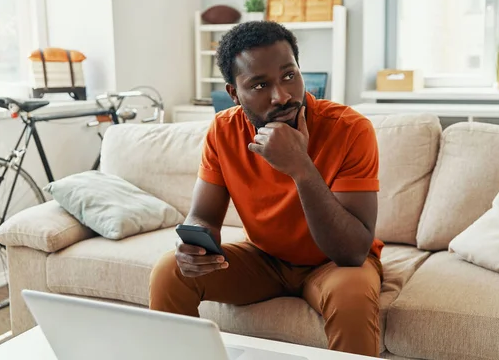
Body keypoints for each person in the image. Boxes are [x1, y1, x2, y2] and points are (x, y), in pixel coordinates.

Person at [149, 21, 384, 357]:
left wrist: (301, 167)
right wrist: (195, 247)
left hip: (334, 263)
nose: (282, 96)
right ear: (234, 93)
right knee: (169, 271)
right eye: (260, 85)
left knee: (352, 297)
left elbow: (352, 252)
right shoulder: (224, 131)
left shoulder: (350, 129)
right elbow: (203, 216)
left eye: (289, 75)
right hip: (265, 258)